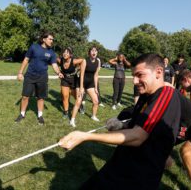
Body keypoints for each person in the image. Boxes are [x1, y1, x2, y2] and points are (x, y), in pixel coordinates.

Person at [59, 53, 182, 190]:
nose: (134, 81)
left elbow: (138, 136)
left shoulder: (165, 95)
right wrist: (121, 125)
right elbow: (138, 124)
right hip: (121, 164)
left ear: (159, 72)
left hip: (138, 177)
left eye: (140, 75)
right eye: (133, 75)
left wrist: (85, 136)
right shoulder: (145, 95)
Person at [15, 31, 63, 125]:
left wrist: (58, 72)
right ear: (44, 39)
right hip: (30, 75)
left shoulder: (51, 52)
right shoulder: (34, 47)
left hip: (42, 77)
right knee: (25, 96)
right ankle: (22, 114)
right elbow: (26, 59)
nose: (52, 41)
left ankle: (40, 115)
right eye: (50, 39)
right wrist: (20, 72)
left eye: (52, 39)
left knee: (40, 97)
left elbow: (54, 64)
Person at [70, 46, 100, 124]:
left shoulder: (98, 62)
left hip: (90, 84)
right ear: (89, 52)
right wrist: (81, 87)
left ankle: (93, 116)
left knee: (96, 101)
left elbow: (96, 75)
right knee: (79, 101)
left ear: (97, 52)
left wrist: (96, 88)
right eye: (92, 51)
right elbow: (82, 74)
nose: (94, 52)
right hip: (81, 83)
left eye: (95, 51)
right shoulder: (85, 61)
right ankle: (72, 120)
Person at [57, 47, 84, 120]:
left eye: (67, 52)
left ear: (70, 54)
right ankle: (66, 112)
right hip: (64, 79)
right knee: (65, 96)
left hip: (74, 80)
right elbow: (53, 62)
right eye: (64, 52)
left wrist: (81, 69)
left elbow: (83, 60)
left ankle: (80, 105)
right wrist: (58, 72)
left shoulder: (74, 61)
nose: (65, 53)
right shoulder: (60, 60)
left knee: (75, 96)